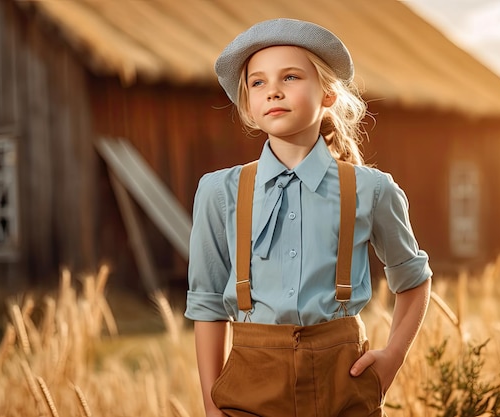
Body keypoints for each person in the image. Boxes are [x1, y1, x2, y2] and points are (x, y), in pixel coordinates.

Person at [184, 18, 432, 417]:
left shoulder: (372, 189)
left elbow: (414, 281)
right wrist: (213, 409)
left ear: (329, 92)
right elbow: (208, 304)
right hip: (248, 390)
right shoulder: (219, 191)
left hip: (344, 387)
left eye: (291, 76)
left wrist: (392, 358)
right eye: (258, 83)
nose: (273, 91)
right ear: (248, 103)